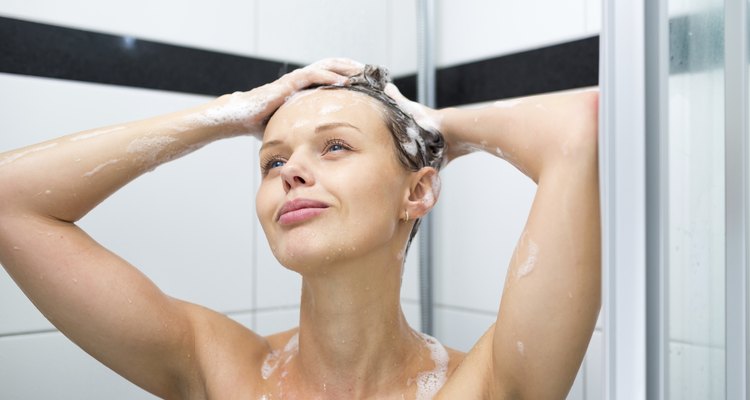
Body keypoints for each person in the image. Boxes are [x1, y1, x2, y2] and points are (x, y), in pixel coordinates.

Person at [0, 58, 600, 399]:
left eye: (335, 146)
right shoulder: (218, 369)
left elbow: (577, 131)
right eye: (273, 161)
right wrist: (228, 112)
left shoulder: (486, 385)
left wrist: (433, 128)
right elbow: (10, 203)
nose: (292, 174)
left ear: (418, 193)